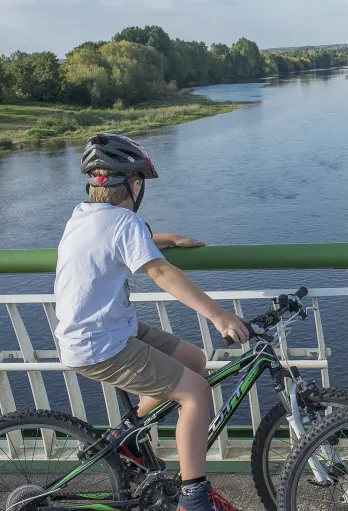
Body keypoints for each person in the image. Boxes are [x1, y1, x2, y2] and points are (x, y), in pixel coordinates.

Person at [54, 134, 249, 511]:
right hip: (102, 344)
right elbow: (160, 272)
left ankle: (127, 438)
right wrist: (220, 315)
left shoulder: (83, 216)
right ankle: (194, 498)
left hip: (102, 331)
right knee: (196, 393)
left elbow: (118, 240)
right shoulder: (124, 221)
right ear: (133, 184)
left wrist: (167, 237)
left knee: (193, 360)